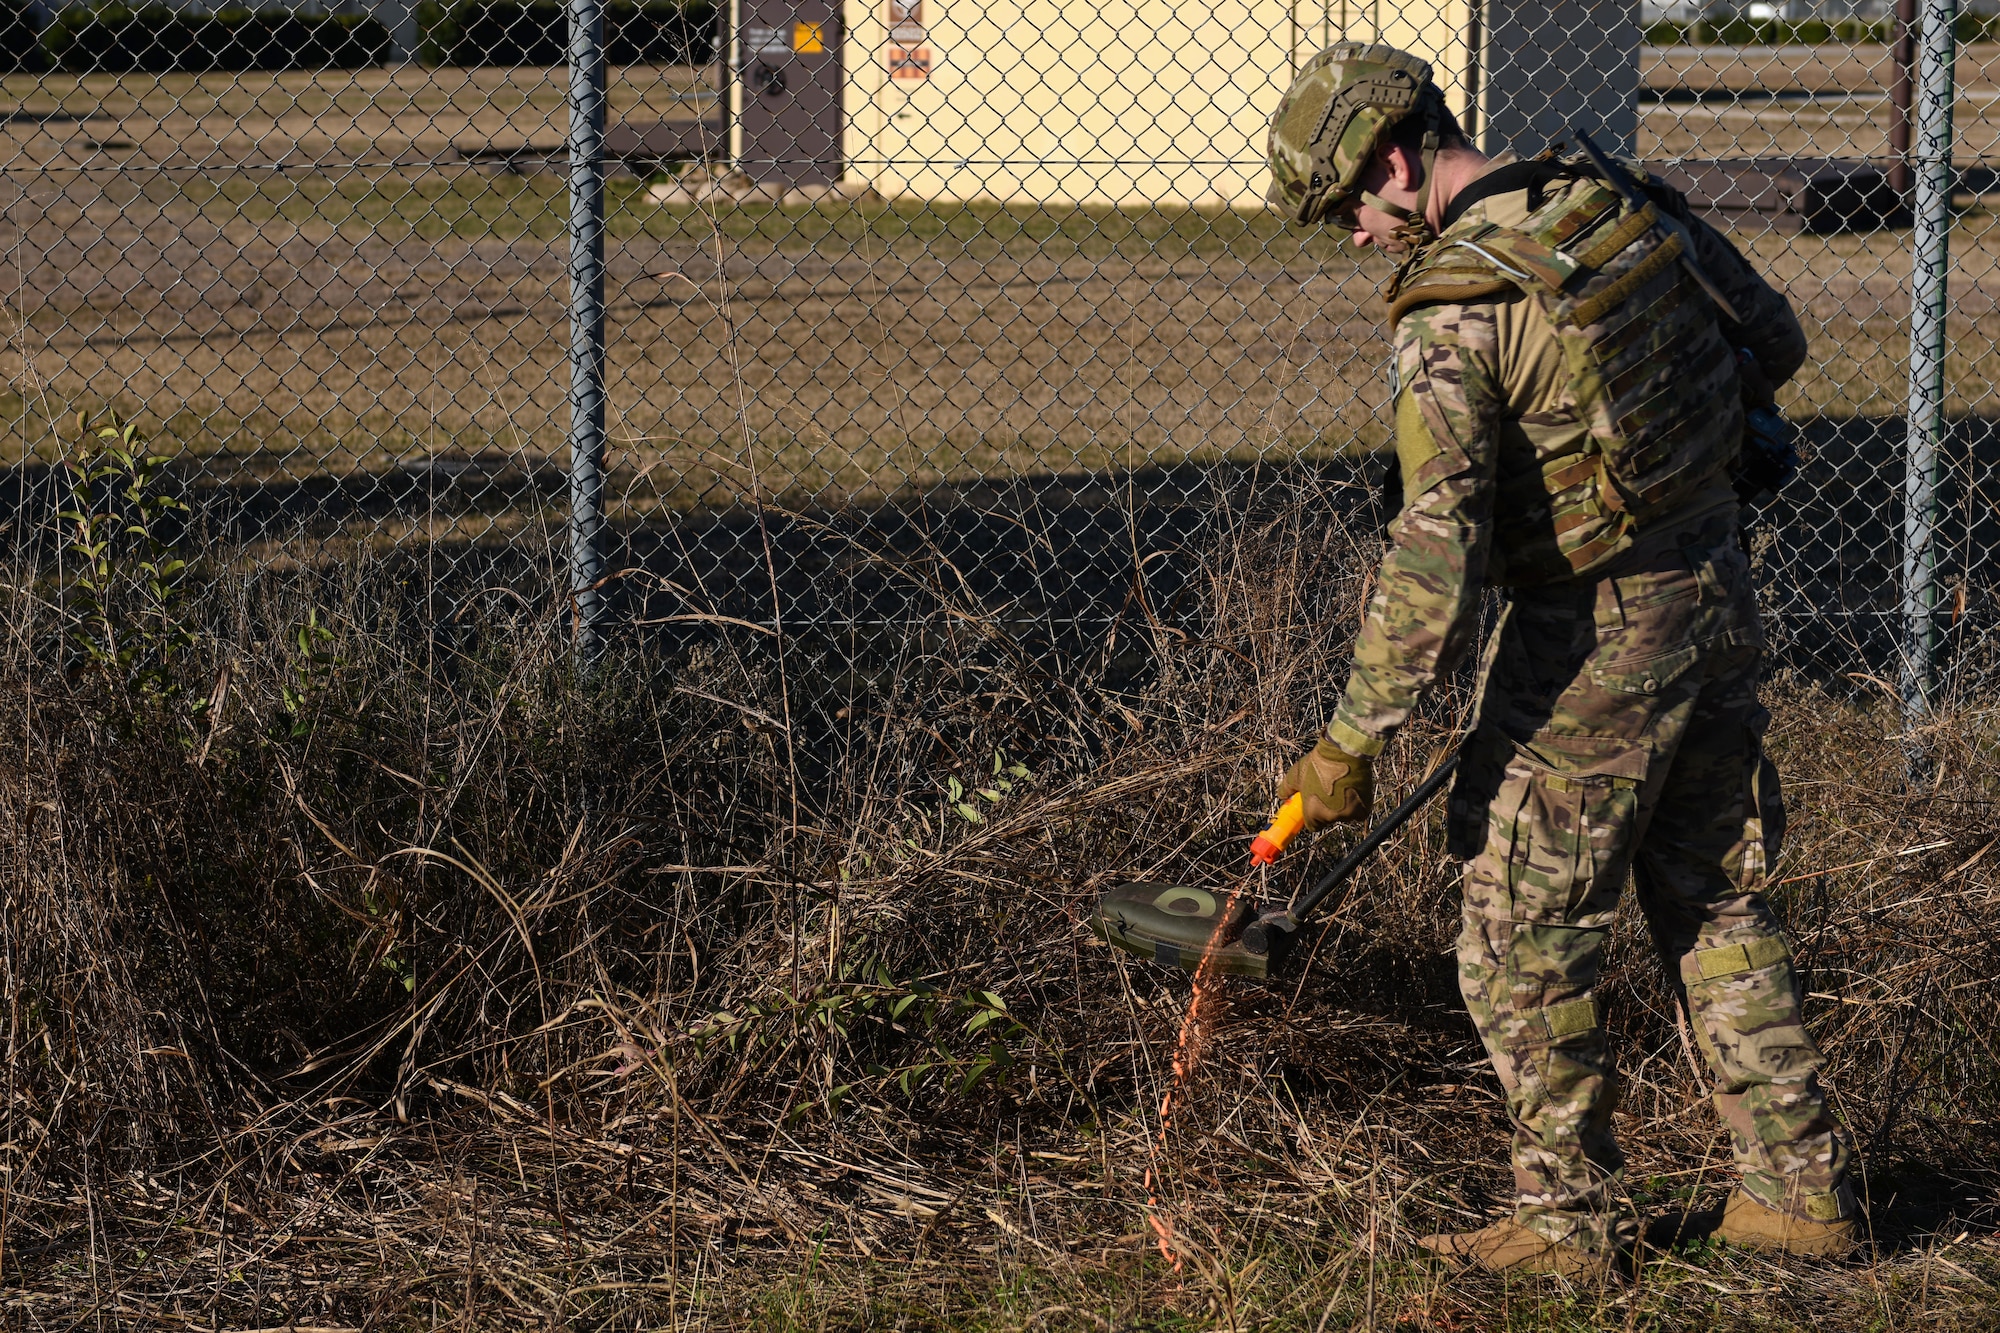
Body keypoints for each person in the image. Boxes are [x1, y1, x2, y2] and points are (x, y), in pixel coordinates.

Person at [1264, 43, 1855, 1277]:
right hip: (1712, 586)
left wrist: (1348, 744)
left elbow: (1431, 564)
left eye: (1347, 213)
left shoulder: (1456, 314)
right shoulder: (1607, 199)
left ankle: (1569, 1227)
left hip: (1590, 634)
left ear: (1390, 161)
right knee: (1710, 889)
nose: (1356, 241)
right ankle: (1799, 1194)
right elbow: (1777, 340)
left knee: (1516, 918)